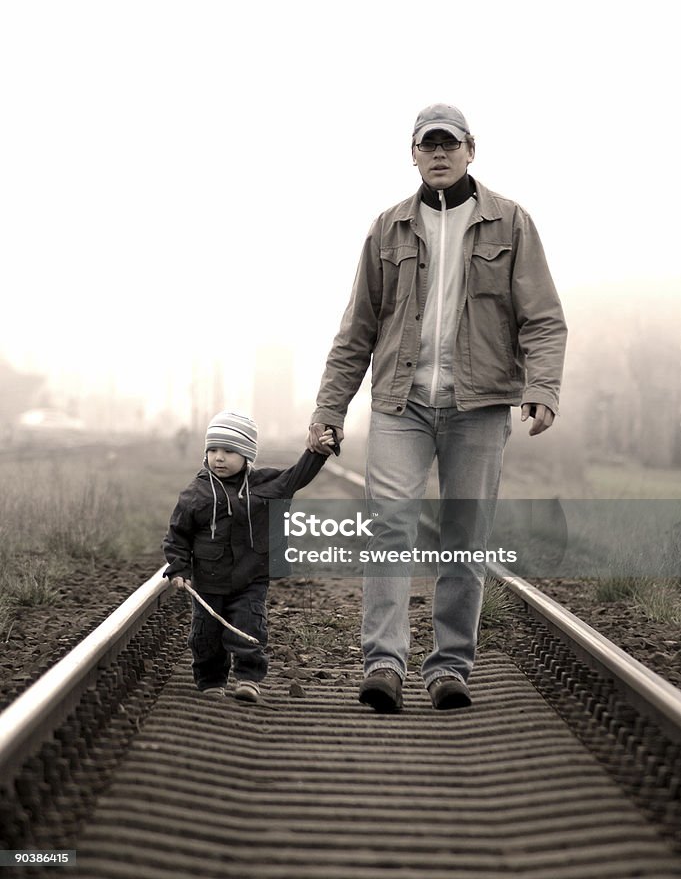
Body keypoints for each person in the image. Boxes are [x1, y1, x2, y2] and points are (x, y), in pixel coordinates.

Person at [307, 103, 567, 713]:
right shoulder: (387, 228)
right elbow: (356, 331)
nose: (441, 154)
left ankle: (450, 667)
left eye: (451, 144)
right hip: (402, 403)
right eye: (430, 146)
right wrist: (330, 409)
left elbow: (544, 319)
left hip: (478, 406)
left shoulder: (511, 223)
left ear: (471, 150)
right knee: (389, 531)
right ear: (415, 155)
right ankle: (384, 664)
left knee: (463, 537)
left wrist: (543, 387)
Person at [164, 410, 335, 702]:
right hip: (208, 579)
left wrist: (318, 452)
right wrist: (179, 568)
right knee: (205, 634)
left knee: (249, 625)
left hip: (251, 577)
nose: (219, 457)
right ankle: (211, 680)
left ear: (247, 455)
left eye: (229, 451)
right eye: (213, 450)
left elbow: (298, 476)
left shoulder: (265, 485)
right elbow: (178, 534)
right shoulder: (196, 493)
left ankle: (248, 678)